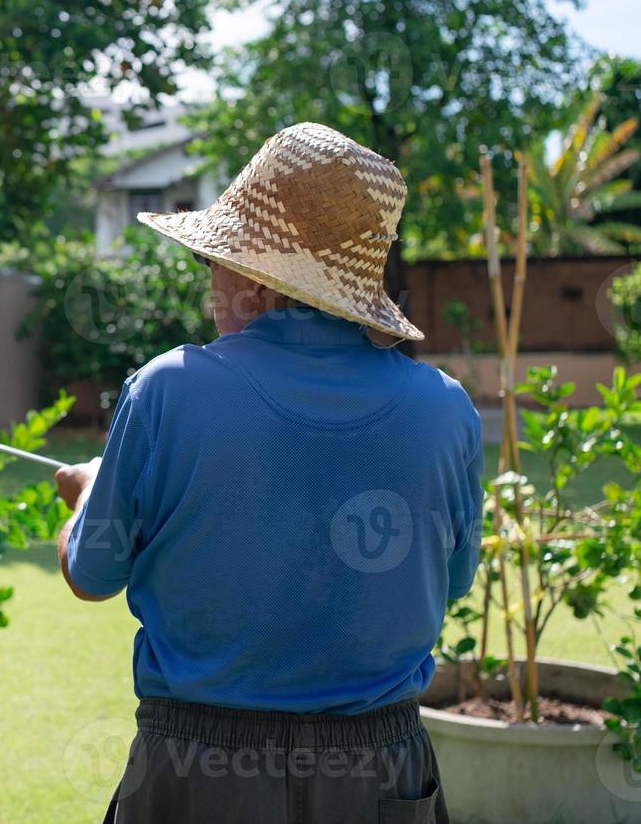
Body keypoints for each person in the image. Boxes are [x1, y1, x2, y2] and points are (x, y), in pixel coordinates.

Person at [56, 123, 482, 824]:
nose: (210, 285)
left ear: (255, 284)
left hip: (197, 768)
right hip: (381, 768)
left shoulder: (166, 390)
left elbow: (91, 574)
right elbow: (454, 578)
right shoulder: (445, 409)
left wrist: (85, 496)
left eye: (213, 264)